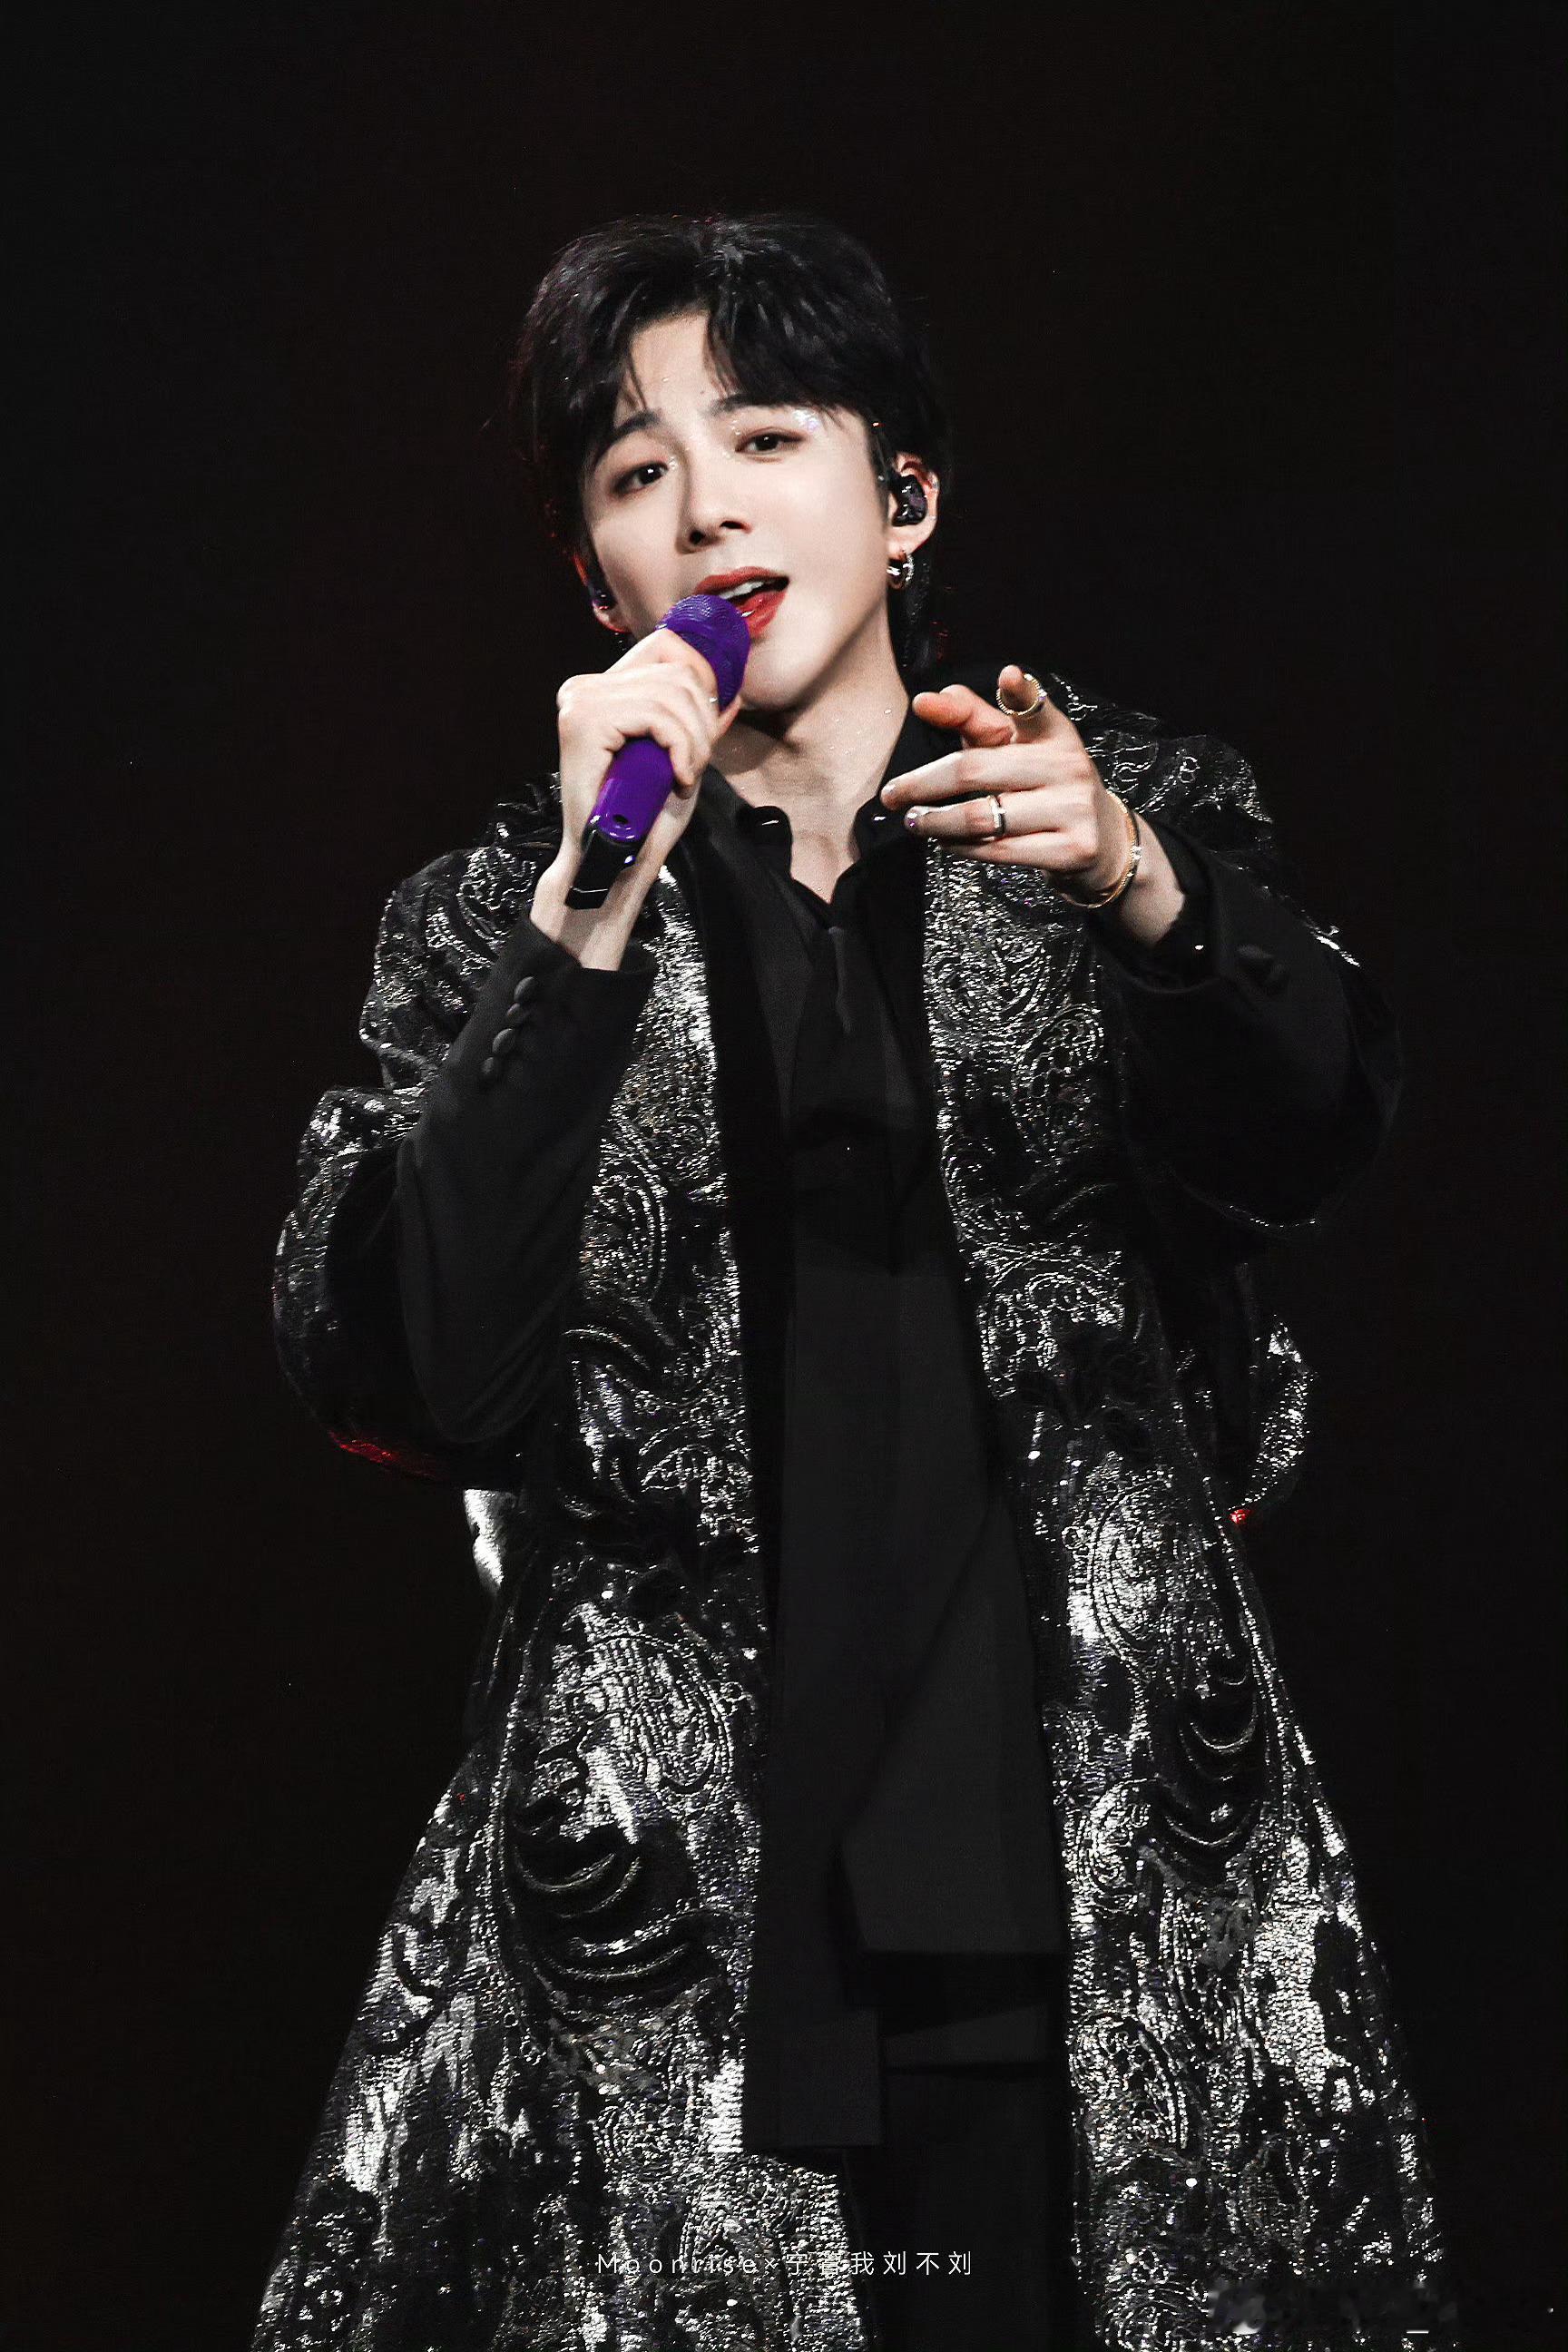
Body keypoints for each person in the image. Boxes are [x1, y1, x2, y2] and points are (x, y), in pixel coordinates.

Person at [252, 212, 1458, 2350]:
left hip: (1084, 1896)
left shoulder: (1112, 818)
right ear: (600, 584)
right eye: (638, 469)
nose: (709, 505)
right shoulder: (494, 919)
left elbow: (1320, 1128)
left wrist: (1145, 885)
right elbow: (403, 1363)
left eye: (767, 436)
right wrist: (583, 917)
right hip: (667, 1939)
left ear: (903, 501)